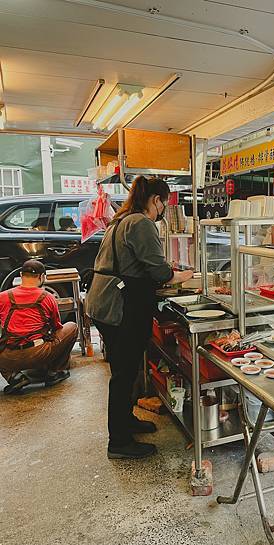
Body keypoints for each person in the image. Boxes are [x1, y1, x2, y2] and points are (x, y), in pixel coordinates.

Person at [86, 176, 193, 460]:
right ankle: (118, 441)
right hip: (117, 305)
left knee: (126, 369)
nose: (162, 212)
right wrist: (182, 276)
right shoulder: (141, 223)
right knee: (123, 374)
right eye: (163, 204)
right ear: (156, 200)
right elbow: (159, 271)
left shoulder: (122, 220)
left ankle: (126, 421)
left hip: (103, 301)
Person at [0, 260, 78, 394]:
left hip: (8, 358)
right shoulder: (47, 297)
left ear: (20, 275)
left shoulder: (3, 297)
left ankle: (14, 377)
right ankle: (55, 372)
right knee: (72, 327)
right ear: (42, 277)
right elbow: (57, 327)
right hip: (39, 353)